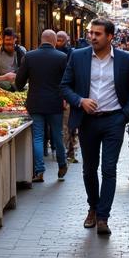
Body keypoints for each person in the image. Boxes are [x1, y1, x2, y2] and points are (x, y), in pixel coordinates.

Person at [60, 17, 129, 236]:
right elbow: (64, 85)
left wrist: (125, 115)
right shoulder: (78, 57)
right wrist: (80, 101)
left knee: (109, 168)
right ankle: (93, 208)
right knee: (89, 169)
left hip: (114, 120)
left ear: (110, 36)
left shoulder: (125, 59)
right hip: (88, 120)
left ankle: (104, 216)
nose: (92, 37)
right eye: (91, 33)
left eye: (97, 34)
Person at [14, 29, 69, 183]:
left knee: (37, 136)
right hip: (55, 102)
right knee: (57, 134)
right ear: (53, 41)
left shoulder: (30, 56)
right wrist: (65, 98)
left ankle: (39, 170)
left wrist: (20, 85)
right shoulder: (62, 57)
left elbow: (19, 81)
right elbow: (67, 81)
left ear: (41, 40)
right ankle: (62, 164)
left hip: (35, 102)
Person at [54, 32, 78, 163]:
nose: (59, 42)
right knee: (62, 125)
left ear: (67, 40)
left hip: (68, 95)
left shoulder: (71, 54)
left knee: (68, 124)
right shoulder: (54, 54)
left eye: (61, 39)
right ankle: (64, 151)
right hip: (56, 94)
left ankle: (69, 150)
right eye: (57, 39)